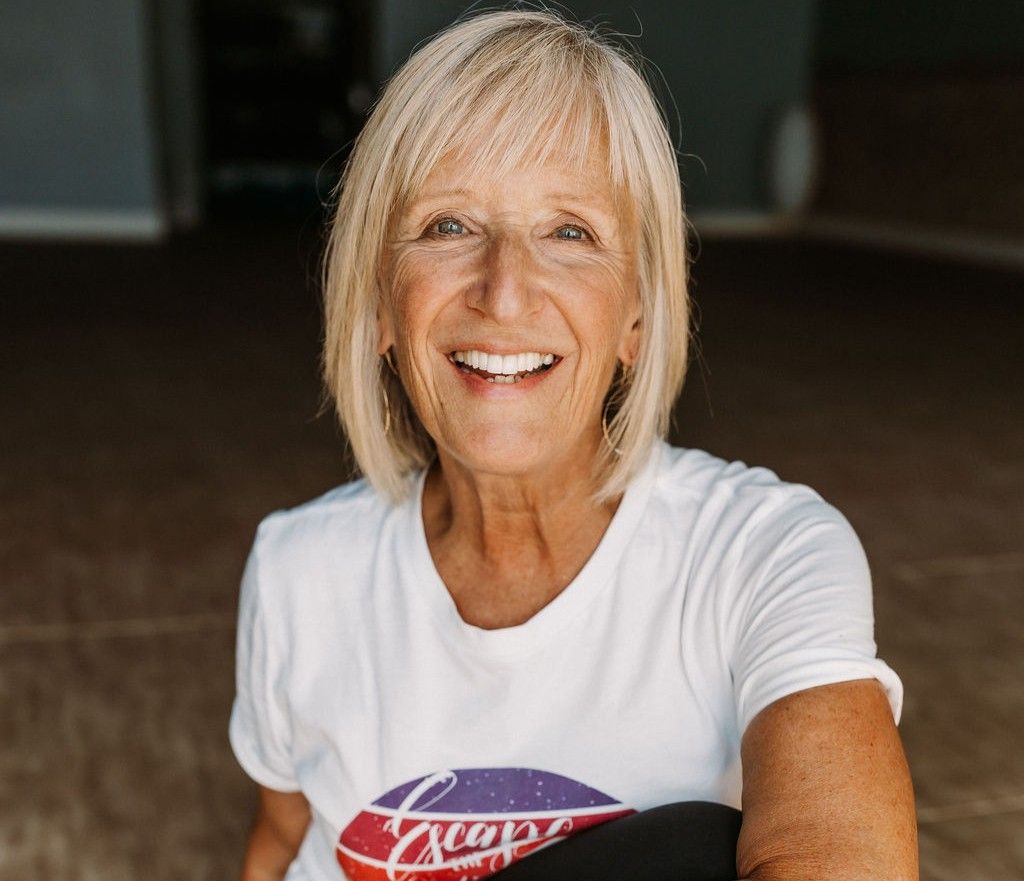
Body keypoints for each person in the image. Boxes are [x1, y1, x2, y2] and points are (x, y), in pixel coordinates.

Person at [229, 8, 918, 881]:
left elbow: (834, 854)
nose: (506, 291)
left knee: (693, 850)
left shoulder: (764, 552)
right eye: (449, 225)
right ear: (376, 305)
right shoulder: (299, 568)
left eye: (569, 231)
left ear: (636, 315)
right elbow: (281, 842)